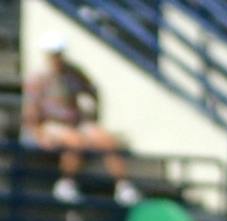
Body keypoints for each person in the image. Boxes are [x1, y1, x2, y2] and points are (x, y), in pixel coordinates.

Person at [22, 37, 140, 206]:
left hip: (74, 121)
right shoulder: (38, 78)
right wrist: (37, 133)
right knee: (74, 140)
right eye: (53, 54)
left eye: (59, 54)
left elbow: (92, 91)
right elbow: (31, 109)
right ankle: (67, 182)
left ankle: (123, 185)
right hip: (50, 123)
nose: (57, 57)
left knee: (106, 139)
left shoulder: (74, 73)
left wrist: (93, 115)